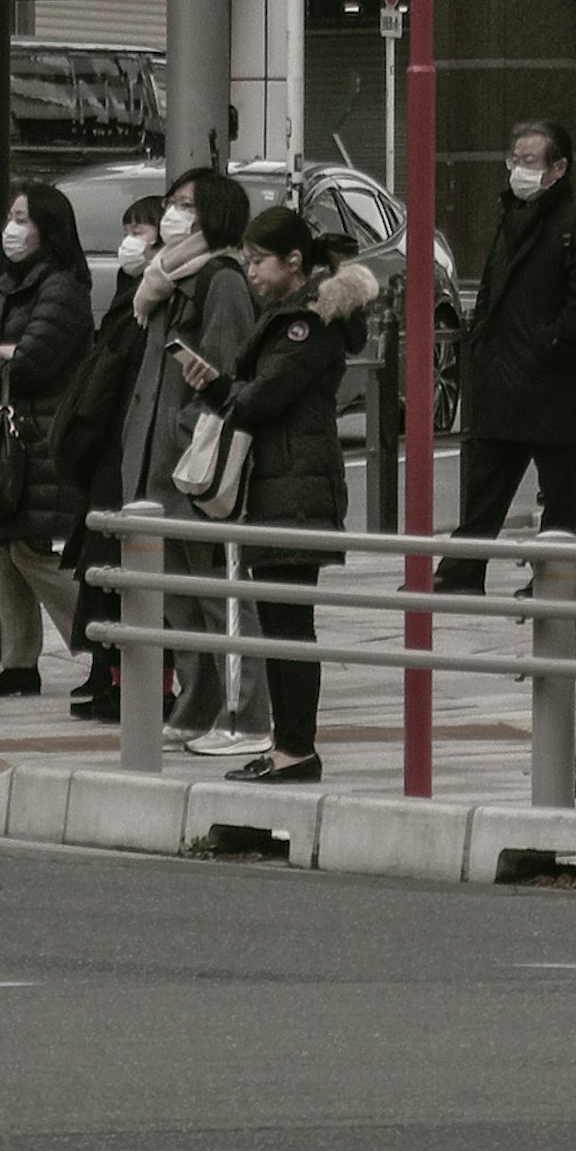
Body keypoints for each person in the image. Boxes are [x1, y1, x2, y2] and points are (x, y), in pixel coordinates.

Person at [209, 199, 375, 786]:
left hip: (296, 487)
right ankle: (286, 747)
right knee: (278, 622)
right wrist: (223, 388)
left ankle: (297, 749)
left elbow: (266, 396)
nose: (251, 272)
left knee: (290, 625)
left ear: (295, 261)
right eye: (248, 261)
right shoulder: (289, 314)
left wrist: (222, 393)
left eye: (259, 261)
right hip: (281, 482)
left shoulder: (307, 324)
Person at [448, 115, 576, 588]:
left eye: (529, 161)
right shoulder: (510, 218)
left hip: (552, 382)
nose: (518, 169)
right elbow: (490, 289)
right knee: (485, 486)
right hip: (503, 377)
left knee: (560, 495)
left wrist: (549, 344)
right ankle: (461, 571)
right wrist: (481, 338)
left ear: (558, 168)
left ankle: (552, 580)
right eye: (514, 160)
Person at [120, 166, 258, 739]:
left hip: (192, 467)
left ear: (215, 216)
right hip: (157, 468)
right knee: (177, 601)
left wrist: (187, 433)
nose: (172, 215)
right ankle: (198, 705)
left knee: (218, 599)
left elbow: (226, 375)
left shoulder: (220, 279)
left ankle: (242, 714)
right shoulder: (168, 279)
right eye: (172, 203)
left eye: (185, 206)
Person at [0, 176, 96, 701]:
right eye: (10, 219)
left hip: (39, 434)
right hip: (7, 432)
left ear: (47, 228)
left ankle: (105, 643)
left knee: (32, 552)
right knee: (1, 547)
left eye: (21, 220)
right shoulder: (9, 287)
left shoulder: (61, 288)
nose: (10, 231)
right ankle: (19, 663)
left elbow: (35, 361)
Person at [58, 196, 165, 727]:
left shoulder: (153, 303)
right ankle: (107, 672)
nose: (130, 240)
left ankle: (130, 682)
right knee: (101, 569)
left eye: (141, 229)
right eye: (127, 228)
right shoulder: (130, 297)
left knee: (123, 571)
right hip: (108, 452)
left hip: (126, 450)